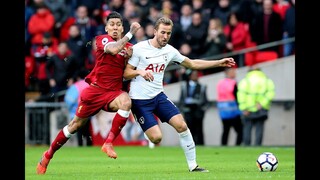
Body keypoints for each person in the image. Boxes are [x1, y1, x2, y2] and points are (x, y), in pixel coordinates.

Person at [123, 16, 235, 172]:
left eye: (168, 33)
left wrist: (218, 62)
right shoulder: (139, 48)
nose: (165, 36)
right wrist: (140, 72)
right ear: (155, 31)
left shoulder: (170, 51)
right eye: (162, 32)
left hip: (158, 96)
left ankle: (193, 165)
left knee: (182, 125)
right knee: (156, 138)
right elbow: (126, 73)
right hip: (140, 100)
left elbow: (192, 63)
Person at [36, 11, 141, 175]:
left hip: (113, 92)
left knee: (126, 101)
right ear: (106, 28)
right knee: (74, 126)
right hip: (94, 92)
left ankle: (108, 143)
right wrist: (131, 33)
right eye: (112, 24)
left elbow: (127, 72)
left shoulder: (130, 48)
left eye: (118, 25)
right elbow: (113, 50)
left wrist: (131, 61)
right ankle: (48, 155)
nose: (115, 27)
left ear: (121, 28)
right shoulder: (102, 39)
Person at [237, 65, 275, 146]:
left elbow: (241, 95)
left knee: (247, 129)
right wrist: (262, 103)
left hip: (248, 109)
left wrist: (244, 108)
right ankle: (258, 146)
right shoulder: (267, 80)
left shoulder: (245, 81)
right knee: (259, 129)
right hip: (261, 108)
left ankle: (246, 147)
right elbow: (271, 93)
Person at [178, 70, 209, 145]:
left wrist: (202, 110)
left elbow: (205, 100)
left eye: (196, 75)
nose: (195, 76)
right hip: (188, 111)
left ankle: (200, 145)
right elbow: (181, 99)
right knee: (189, 130)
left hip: (198, 111)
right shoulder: (185, 87)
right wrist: (182, 110)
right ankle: (190, 145)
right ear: (190, 76)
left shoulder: (202, 87)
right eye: (193, 75)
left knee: (199, 130)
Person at [64, 68, 92, 146]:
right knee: (87, 131)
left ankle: (80, 145)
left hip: (76, 112)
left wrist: (70, 109)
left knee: (78, 130)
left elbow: (69, 100)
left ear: (78, 77)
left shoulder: (76, 86)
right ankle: (89, 145)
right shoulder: (90, 84)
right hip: (88, 112)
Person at [216, 67, 243, 146]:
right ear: (228, 73)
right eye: (233, 72)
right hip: (233, 111)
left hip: (223, 111)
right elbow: (237, 97)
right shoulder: (233, 83)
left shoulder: (220, 83)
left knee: (225, 130)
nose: (235, 73)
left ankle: (223, 146)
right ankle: (238, 146)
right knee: (240, 130)